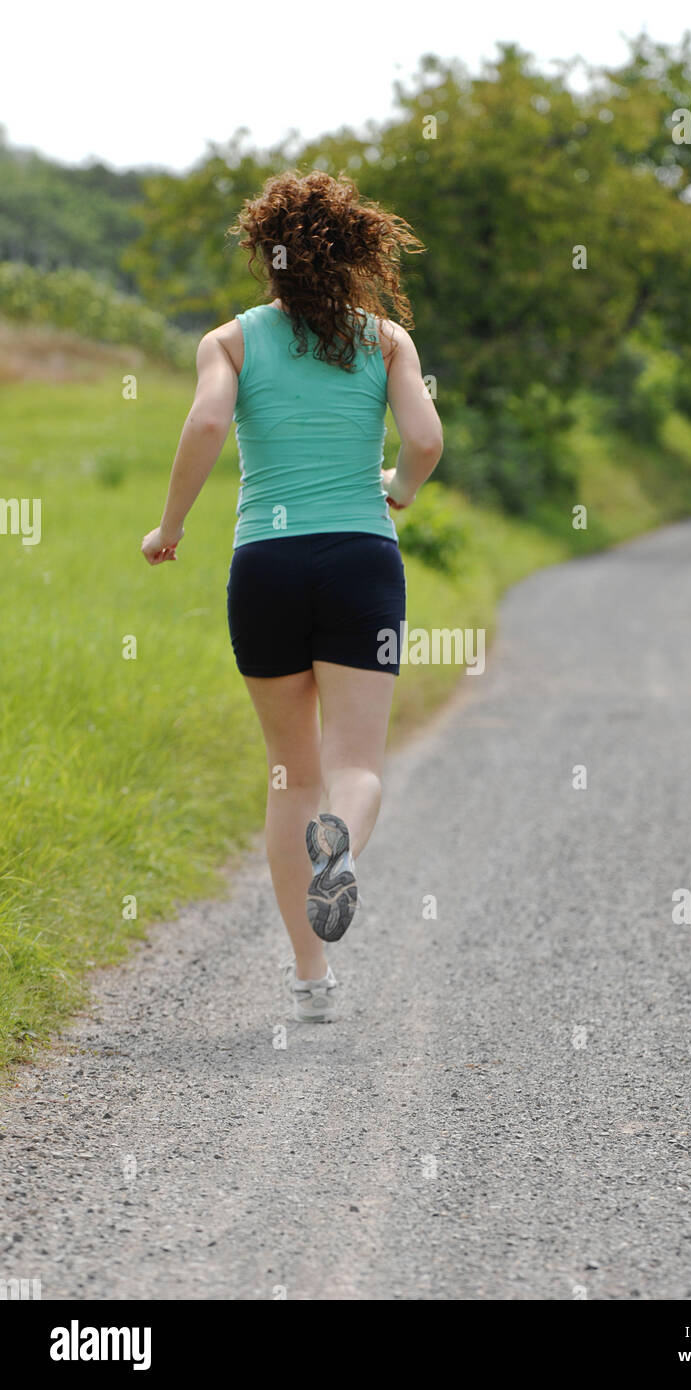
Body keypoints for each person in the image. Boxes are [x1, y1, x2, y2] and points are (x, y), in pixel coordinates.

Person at [141, 170, 443, 1022]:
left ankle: (310, 982)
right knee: (356, 767)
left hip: (265, 564)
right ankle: (339, 845)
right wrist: (401, 487)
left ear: (262, 257)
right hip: (359, 558)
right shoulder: (385, 340)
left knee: (288, 774)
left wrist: (168, 527)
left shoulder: (230, 342)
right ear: (356, 253)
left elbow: (205, 425)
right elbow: (424, 438)